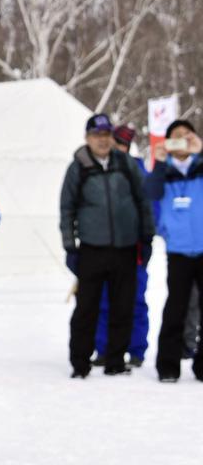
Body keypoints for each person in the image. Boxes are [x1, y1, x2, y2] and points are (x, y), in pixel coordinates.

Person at [60, 114, 155, 378]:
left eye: (106, 135)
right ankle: (80, 361)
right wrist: (70, 246)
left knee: (123, 305)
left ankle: (115, 359)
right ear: (87, 138)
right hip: (92, 247)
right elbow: (67, 209)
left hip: (125, 246)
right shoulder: (78, 167)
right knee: (87, 308)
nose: (102, 140)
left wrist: (146, 237)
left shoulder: (125, 164)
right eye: (97, 135)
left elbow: (142, 201)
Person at [143, 119, 203, 382]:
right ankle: (168, 365)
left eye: (186, 135)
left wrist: (200, 152)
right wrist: (159, 161)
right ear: (167, 142)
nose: (182, 141)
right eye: (176, 136)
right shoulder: (164, 171)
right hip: (178, 250)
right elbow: (150, 192)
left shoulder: (200, 166)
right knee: (175, 308)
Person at [89, 124, 153, 367]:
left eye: (120, 144)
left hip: (133, 249)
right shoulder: (95, 170)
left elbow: (150, 210)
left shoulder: (138, 172)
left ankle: (136, 349)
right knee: (103, 299)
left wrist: (144, 239)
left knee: (135, 300)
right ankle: (104, 348)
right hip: (102, 248)